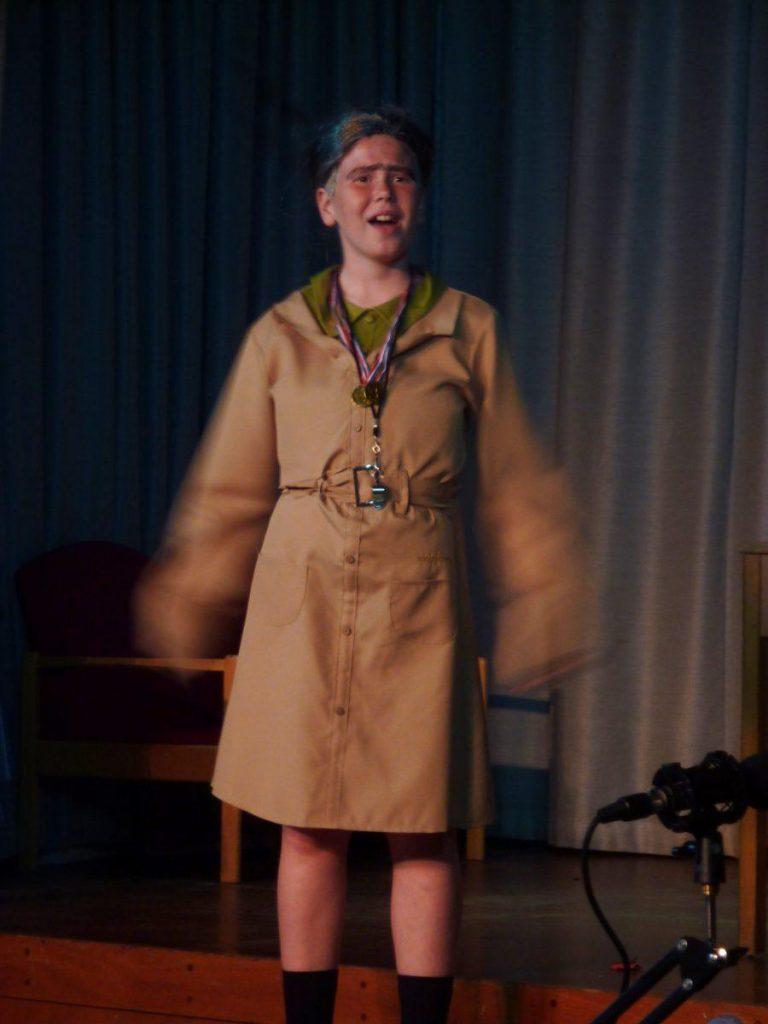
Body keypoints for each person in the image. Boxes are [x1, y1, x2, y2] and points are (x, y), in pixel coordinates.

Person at [133, 105, 590, 1024]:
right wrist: (188, 592)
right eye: (362, 177)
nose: (385, 191)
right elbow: (229, 482)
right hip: (301, 596)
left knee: (422, 829)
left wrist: (546, 594)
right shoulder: (280, 332)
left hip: (418, 599)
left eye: (402, 175)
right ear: (327, 203)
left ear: (419, 199)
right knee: (308, 824)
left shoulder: (465, 327)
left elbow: (518, 482)